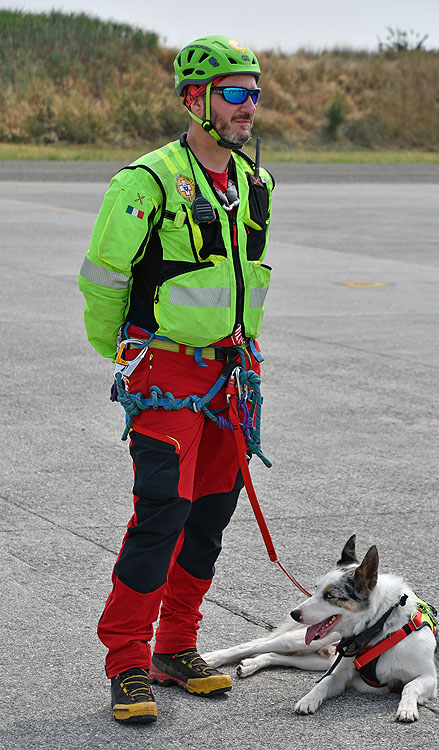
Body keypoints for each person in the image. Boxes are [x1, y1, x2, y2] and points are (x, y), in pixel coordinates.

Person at [78, 35, 274, 724]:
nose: (250, 105)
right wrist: (120, 355)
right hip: (164, 372)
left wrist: (243, 357)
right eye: (235, 93)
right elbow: (103, 278)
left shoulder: (256, 183)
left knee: (211, 513)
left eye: (254, 91)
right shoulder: (147, 180)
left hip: (231, 377)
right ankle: (127, 661)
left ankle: (176, 648)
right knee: (163, 510)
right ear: (197, 99)